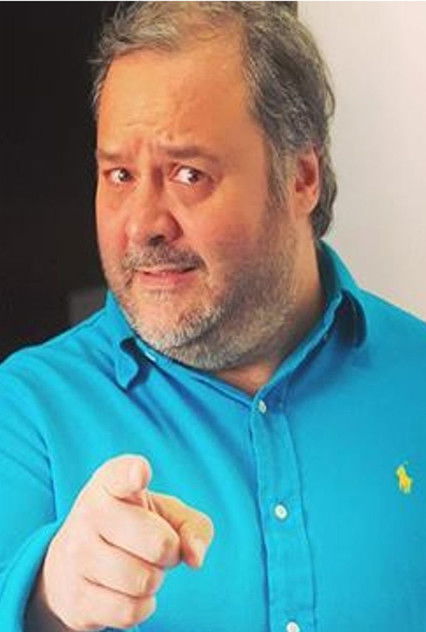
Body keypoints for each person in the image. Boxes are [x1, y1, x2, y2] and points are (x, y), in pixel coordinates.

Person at [1, 2, 425, 631]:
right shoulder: (26, 409)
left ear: (301, 176)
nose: (143, 225)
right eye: (119, 174)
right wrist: (48, 598)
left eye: (188, 174)